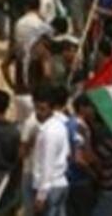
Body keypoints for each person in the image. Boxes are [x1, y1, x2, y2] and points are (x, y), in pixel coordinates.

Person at [29, 85, 70, 216]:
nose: (38, 113)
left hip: (49, 188)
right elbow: (67, 153)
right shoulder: (60, 126)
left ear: (51, 108)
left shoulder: (48, 132)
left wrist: (41, 196)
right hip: (59, 184)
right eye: (36, 108)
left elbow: (47, 165)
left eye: (42, 109)